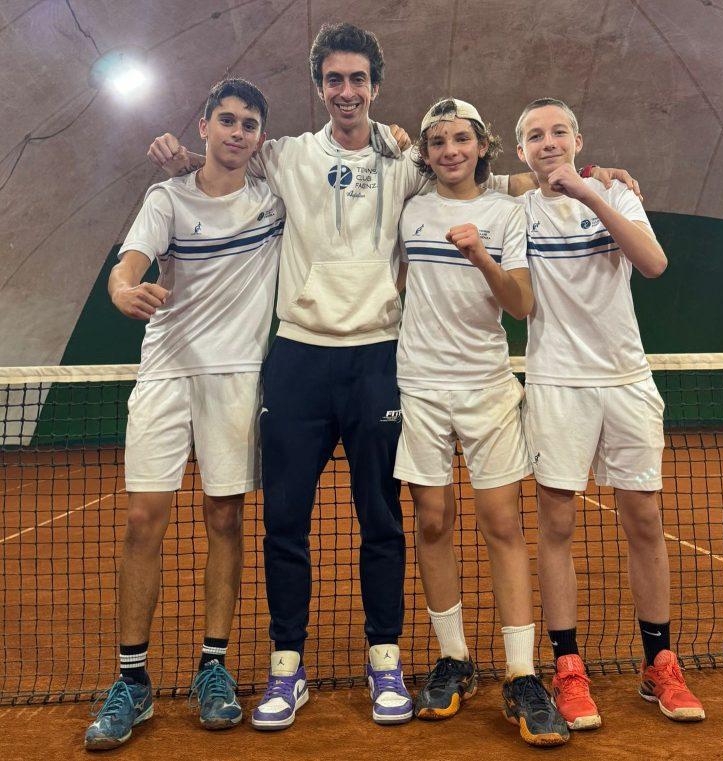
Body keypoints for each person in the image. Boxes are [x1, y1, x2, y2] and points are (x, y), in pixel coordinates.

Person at [148, 23, 638, 730]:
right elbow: (222, 163)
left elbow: (484, 178)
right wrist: (181, 152)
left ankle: (390, 657)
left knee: (384, 521)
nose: (346, 92)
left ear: (376, 86)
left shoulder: (407, 162)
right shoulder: (283, 155)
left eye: (358, 80)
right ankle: (288, 667)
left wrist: (593, 175)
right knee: (285, 523)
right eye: (334, 80)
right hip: (297, 361)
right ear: (319, 87)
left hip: (379, 362)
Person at [84, 78, 284, 750]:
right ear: (202, 125)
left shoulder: (274, 201)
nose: (236, 131)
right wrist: (122, 288)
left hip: (236, 379)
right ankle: (132, 679)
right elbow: (131, 261)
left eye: (249, 124)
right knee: (144, 517)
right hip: (166, 371)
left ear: (259, 137)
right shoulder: (166, 197)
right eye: (225, 119)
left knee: (225, 516)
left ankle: (213, 667)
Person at [515, 97, 706, 730]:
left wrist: (594, 192)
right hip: (556, 383)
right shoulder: (518, 211)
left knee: (645, 517)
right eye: (536, 136)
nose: (549, 142)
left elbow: (652, 263)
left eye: (559, 131)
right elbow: (468, 180)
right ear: (522, 151)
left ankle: (660, 662)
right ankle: (568, 667)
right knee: (557, 523)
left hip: (626, 379)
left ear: (577, 138)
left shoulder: (617, 197)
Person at [395, 98, 569, 747]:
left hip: (489, 388)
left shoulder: (506, 213)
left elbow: (522, 303)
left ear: (480, 144)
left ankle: (522, 674)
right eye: (437, 140)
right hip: (420, 387)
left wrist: (480, 257)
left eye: (460, 138)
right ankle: (454, 658)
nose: (449, 149)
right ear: (426, 151)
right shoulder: (407, 210)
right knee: (432, 519)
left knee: (502, 522)